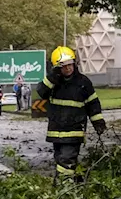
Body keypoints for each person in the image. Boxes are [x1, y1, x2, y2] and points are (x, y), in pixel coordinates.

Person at [34, 46, 105, 181]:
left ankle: (63, 187)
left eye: (70, 65)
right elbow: (41, 92)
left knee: (66, 161)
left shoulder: (83, 82)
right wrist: (52, 77)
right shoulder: (53, 83)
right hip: (56, 132)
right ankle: (78, 182)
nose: (68, 68)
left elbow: (93, 103)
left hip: (74, 131)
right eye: (64, 66)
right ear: (57, 68)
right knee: (62, 160)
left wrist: (99, 123)